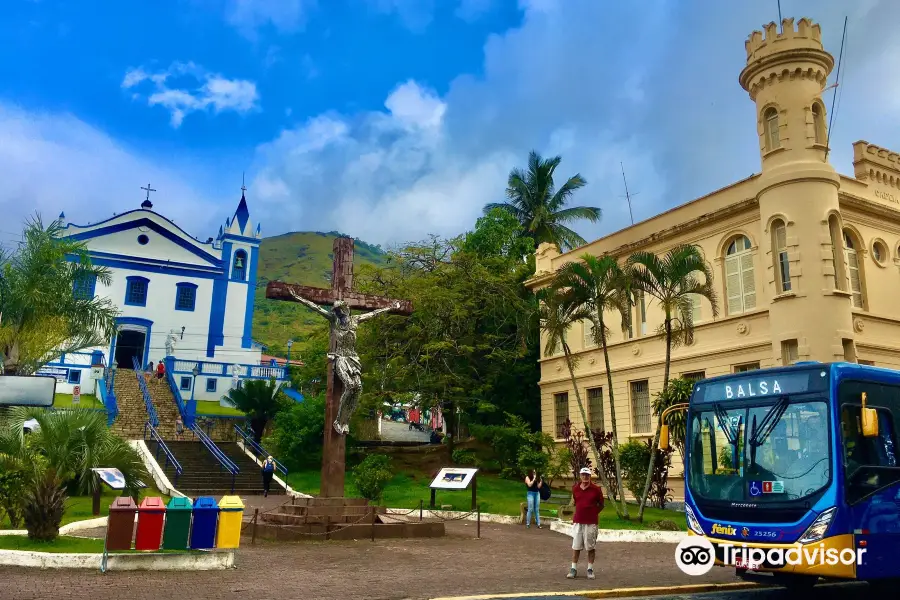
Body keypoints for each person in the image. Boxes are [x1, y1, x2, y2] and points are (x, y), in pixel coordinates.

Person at [567, 467, 604, 580]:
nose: (585, 477)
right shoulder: (575, 488)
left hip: (591, 522)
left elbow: (601, 504)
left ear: (590, 476)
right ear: (580, 476)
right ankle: (573, 568)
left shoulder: (596, 489)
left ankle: (590, 569)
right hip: (578, 520)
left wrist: (593, 512)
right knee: (576, 546)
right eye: (583, 475)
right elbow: (576, 501)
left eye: (587, 475)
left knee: (590, 547)